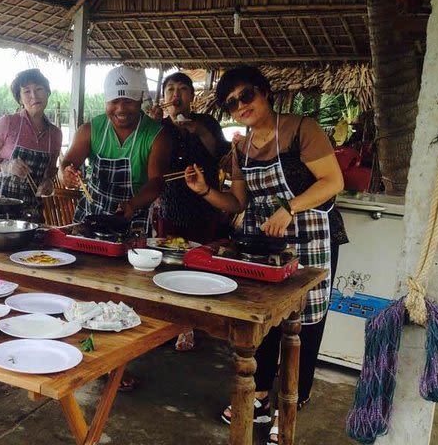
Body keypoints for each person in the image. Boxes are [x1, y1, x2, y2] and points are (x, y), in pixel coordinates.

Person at [184, 65, 347, 444]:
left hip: (310, 239)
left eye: (246, 96)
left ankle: (292, 400)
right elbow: (239, 201)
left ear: (264, 92)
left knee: (304, 325)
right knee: (267, 320)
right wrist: (205, 190)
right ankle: (258, 394)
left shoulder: (302, 129)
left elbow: (333, 181)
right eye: (231, 103)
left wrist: (289, 209)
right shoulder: (240, 147)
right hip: (266, 245)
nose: (241, 106)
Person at [148, 71, 232, 352]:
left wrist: (200, 132)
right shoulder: (159, 127)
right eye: (170, 89)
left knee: (199, 261)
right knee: (168, 261)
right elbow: (151, 164)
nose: (176, 95)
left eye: (182, 89)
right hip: (170, 204)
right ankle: (174, 323)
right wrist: (150, 124)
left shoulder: (207, 122)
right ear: (164, 96)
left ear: (192, 96)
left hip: (205, 204)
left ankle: (196, 321)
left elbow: (222, 155)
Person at [62, 65, 171, 232]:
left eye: (128, 101)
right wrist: (66, 173)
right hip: (92, 217)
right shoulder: (90, 130)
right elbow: (67, 163)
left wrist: (132, 204)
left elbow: (156, 181)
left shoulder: (156, 135)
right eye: (114, 102)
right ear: (106, 101)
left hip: (133, 217)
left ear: (140, 99)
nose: (121, 109)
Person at [0, 68, 62, 204]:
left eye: (39, 89)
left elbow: (51, 170)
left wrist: (48, 183)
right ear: (20, 99)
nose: (34, 96)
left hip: (30, 205)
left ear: (47, 92)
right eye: (27, 91)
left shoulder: (55, 134)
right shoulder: (8, 122)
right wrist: (5, 166)